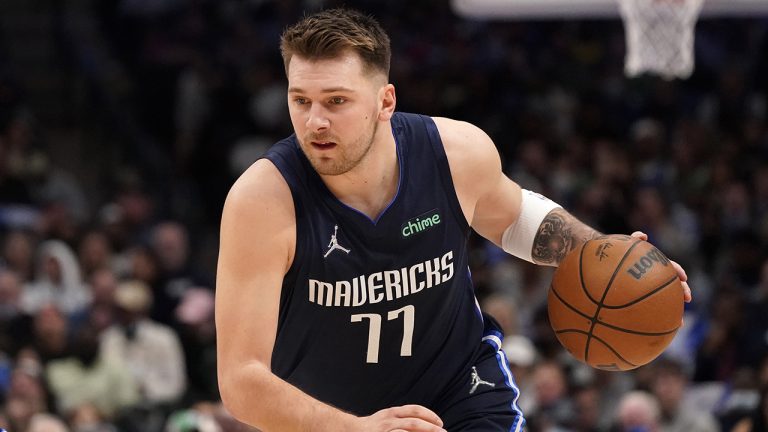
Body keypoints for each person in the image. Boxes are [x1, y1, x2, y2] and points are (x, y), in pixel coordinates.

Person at [214, 8, 692, 432]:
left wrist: (611, 256)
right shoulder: (263, 202)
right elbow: (240, 380)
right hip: (331, 417)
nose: (315, 121)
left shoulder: (453, 153)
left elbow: (515, 218)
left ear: (385, 102)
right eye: (301, 100)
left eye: (336, 101)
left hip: (461, 390)